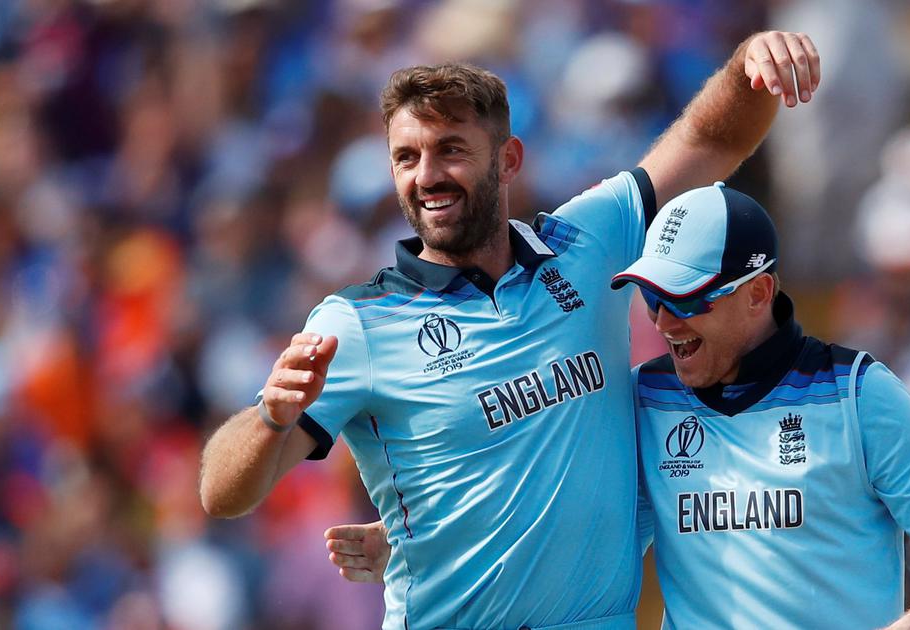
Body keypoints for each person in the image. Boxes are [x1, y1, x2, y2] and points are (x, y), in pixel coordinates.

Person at [199, 31, 822, 630]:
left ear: (509, 160)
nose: (427, 175)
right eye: (406, 157)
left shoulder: (586, 241)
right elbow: (221, 494)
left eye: (451, 149)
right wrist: (271, 421)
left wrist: (750, 64)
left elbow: (709, 138)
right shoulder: (359, 323)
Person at [329, 184, 910, 629]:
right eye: (654, 297)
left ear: (759, 293)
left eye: (688, 299)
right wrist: (438, 545)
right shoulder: (649, 398)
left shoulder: (861, 393)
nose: (665, 320)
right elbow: (585, 525)